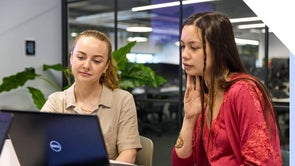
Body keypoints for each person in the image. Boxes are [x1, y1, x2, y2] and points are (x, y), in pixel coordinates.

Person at [172, 12, 282, 165]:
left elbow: (260, 162)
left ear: (220, 50)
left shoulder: (243, 91)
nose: (184, 55)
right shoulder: (203, 94)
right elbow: (180, 163)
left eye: (194, 47)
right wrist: (189, 118)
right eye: (183, 47)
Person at [41, 30, 141, 164]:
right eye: (81, 57)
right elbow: (39, 145)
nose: (86, 66)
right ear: (71, 58)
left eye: (96, 61)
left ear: (106, 66)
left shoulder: (122, 100)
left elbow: (129, 154)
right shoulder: (56, 101)